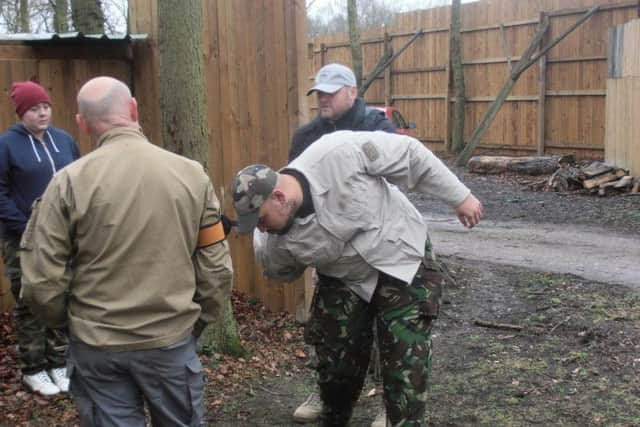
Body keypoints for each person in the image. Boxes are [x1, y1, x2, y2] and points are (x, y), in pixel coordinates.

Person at [19, 76, 234, 426]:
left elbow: (42, 280)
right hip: (169, 341)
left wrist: (70, 324)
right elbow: (216, 268)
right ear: (133, 108)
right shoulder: (192, 176)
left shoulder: (67, 183)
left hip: (97, 347)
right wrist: (197, 321)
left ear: (82, 124)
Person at [232, 130, 483, 426]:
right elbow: (279, 271)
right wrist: (277, 243)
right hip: (344, 276)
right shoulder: (273, 241)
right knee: (336, 367)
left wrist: (459, 197)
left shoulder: (336, 154)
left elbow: (410, 155)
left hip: (399, 254)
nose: (261, 230)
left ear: (279, 197)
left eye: (261, 220)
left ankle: (398, 416)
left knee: (404, 368)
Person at [289, 63, 396, 425]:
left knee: (385, 330)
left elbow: (395, 187)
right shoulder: (306, 138)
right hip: (332, 253)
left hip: (378, 250)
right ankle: (326, 391)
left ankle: (388, 400)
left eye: (330, 92)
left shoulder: (378, 129)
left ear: (352, 91)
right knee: (330, 330)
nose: (322, 98)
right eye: (319, 92)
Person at [0, 81, 80, 396]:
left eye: (45, 106)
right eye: (34, 108)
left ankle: (59, 363)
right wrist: (26, 227)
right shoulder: (6, 145)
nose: (42, 112)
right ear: (22, 112)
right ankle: (33, 368)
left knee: (61, 296)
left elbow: (78, 180)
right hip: (22, 239)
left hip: (63, 237)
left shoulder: (64, 140)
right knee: (30, 300)